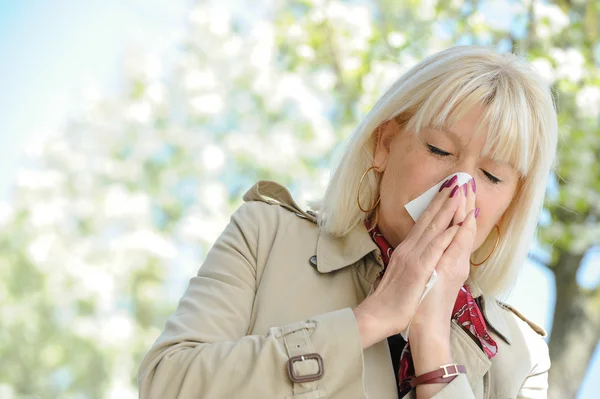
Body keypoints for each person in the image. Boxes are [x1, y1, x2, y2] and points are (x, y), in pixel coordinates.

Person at [138, 46, 557, 398]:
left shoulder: (523, 356)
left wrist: (432, 341)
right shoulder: (266, 235)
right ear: (385, 144)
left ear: (510, 206)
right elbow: (168, 383)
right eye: (438, 149)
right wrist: (368, 321)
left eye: (492, 176)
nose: (458, 186)